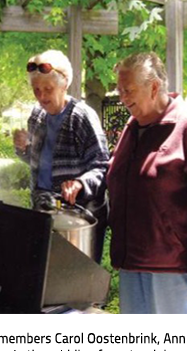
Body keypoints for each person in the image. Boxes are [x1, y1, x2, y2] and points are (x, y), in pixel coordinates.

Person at [107, 52, 187, 314]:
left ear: (153, 87)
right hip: (132, 264)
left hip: (174, 269)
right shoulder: (132, 129)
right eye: (119, 90)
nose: (122, 97)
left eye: (128, 90)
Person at [14, 50, 110, 264]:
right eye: (36, 89)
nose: (41, 96)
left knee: (77, 279)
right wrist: (23, 149)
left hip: (79, 219)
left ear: (65, 83)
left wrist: (79, 183)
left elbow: (102, 167)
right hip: (45, 211)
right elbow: (39, 164)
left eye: (48, 89)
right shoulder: (37, 115)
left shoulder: (81, 116)